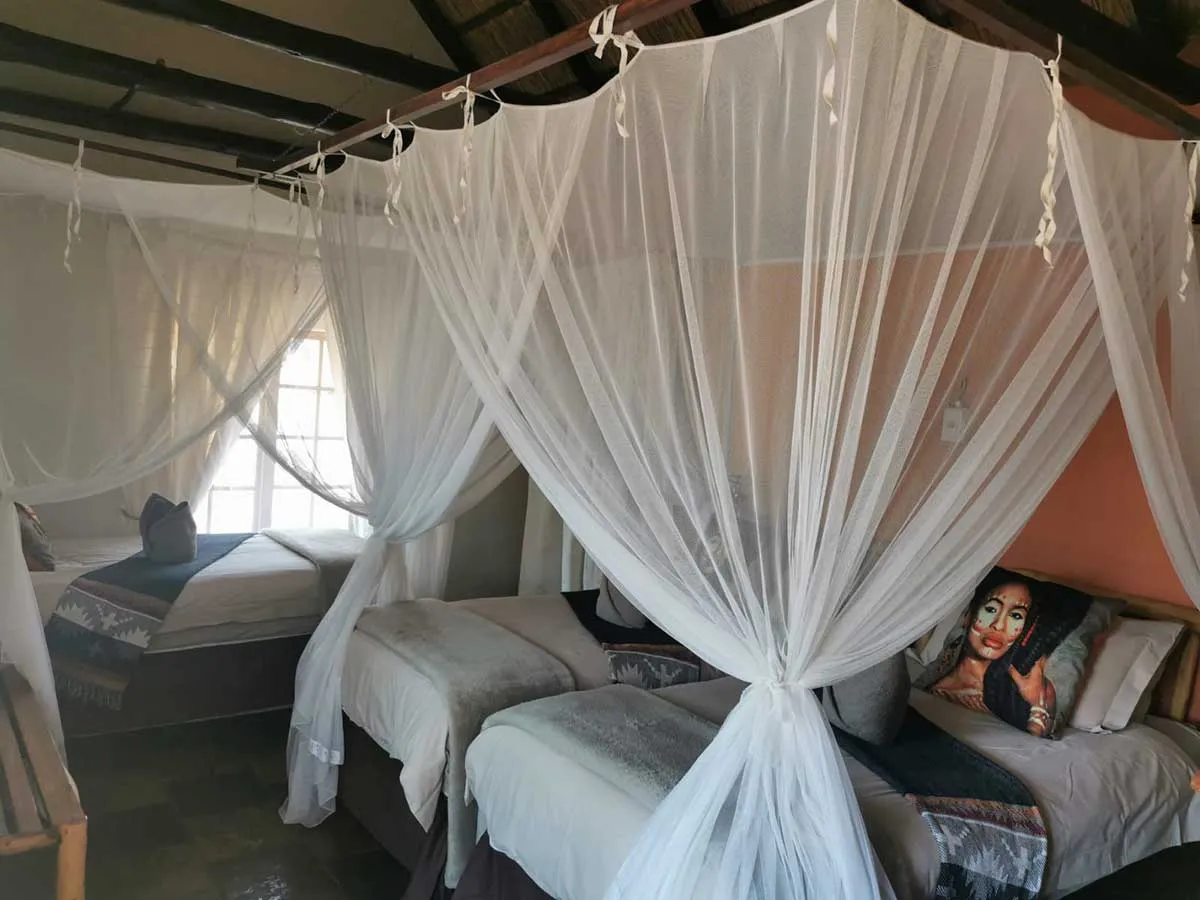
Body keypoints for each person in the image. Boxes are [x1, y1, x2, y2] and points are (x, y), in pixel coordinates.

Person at [931, 577, 1060, 736]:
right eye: (991, 609)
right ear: (969, 615)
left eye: (1016, 616)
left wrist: (1036, 709)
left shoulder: (1025, 693)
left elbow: (1033, 746)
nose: (998, 625)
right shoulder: (939, 690)